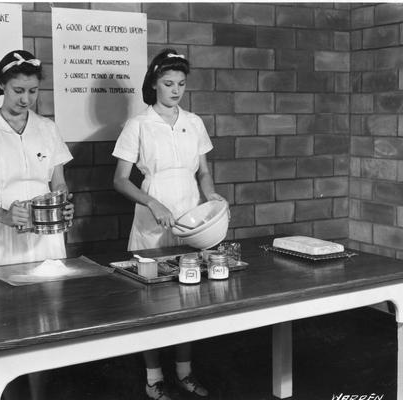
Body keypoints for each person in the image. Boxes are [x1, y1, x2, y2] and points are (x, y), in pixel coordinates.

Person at [0, 49, 74, 399]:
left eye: (33, 91)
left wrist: (64, 203)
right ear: (2, 86)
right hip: (0, 233)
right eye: (18, 90)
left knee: (45, 317)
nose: (26, 99)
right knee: (1, 322)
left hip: (45, 235)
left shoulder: (48, 129)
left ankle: (38, 395)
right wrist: (6, 216)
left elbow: (59, 183)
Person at [113, 48, 226, 400]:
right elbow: (120, 180)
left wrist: (212, 198)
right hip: (152, 215)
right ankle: (153, 377)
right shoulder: (138, 125)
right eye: (168, 83)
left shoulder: (194, 122)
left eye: (180, 84)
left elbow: (204, 173)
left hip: (190, 212)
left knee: (188, 294)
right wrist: (152, 201)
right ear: (154, 84)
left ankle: (184, 372)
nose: (175, 90)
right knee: (152, 301)